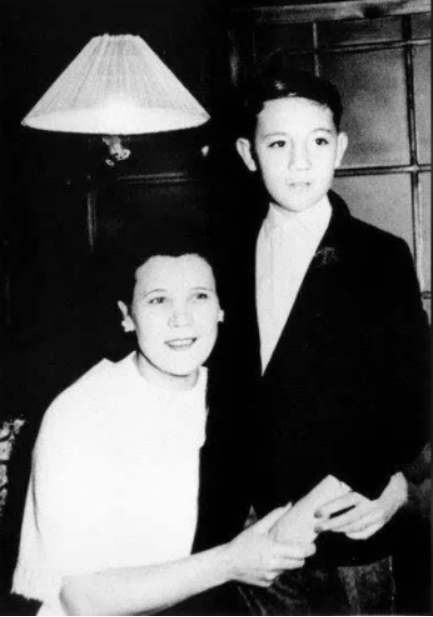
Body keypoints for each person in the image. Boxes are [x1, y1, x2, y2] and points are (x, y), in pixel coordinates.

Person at [196, 57, 430, 615]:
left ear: (340, 149)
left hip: (345, 531)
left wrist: (384, 484)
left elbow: (412, 402)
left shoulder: (380, 256)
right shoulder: (218, 258)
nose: (300, 162)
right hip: (244, 536)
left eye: (318, 142)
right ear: (248, 154)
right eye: (278, 144)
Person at [11, 233, 316, 616]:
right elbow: (83, 599)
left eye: (199, 296)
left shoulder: (233, 396)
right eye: (158, 300)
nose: (181, 318)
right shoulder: (80, 414)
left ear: (221, 308)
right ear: (127, 316)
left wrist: (383, 494)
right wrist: (229, 562)